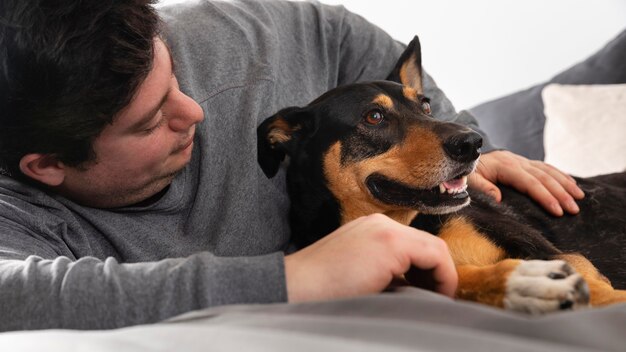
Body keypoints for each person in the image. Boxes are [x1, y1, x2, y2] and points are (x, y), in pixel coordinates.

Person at [0, 0, 584, 331]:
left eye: (174, 78)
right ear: (48, 165)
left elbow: (340, 35)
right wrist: (298, 277)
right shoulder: (19, 211)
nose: (195, 110)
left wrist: (457, 150)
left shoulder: (222, 35)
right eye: (152, 122)